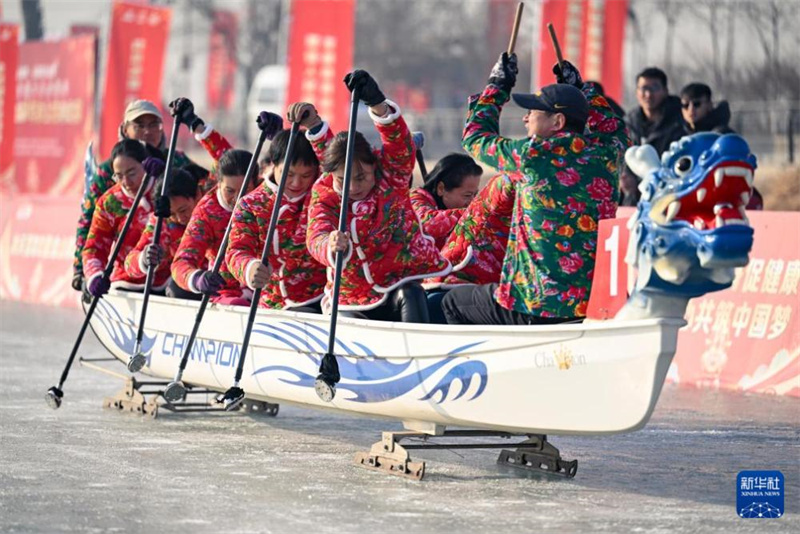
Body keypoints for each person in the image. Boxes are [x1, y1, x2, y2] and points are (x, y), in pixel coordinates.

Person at [441, 53, 629, 325]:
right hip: (589, 304)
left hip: (536, 305)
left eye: (533, 112)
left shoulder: (532, 155)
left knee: (452, 303)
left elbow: (475, 137)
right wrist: (582, 89)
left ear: (557, 122)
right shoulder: (609, 153)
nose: (525, 119)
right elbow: (616, 129)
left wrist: (496, 86)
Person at [306, 70, 452, 322]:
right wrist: (329, 245)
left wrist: (378, 104)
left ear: (373, 165)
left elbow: (400, 146)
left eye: (360, 177)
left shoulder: (390, 176)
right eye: (343, 180)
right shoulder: (325, 191)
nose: (353, 187)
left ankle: (418, 352)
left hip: (399, 278)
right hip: (350, 294)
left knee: (412, 294)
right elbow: (316, 233)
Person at [73, 99, 200, 292]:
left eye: (153, 125)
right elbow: (90, 225)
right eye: (139, 126)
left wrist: (197, 125)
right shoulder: (108, 175)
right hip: (127, 273)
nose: (147, 132)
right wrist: (84, 272)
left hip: (173, 273)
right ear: (125, 129)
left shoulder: (177, 160)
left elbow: (211, 190)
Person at [225, 109, 326, 310]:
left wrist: (315, 125)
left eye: (306, 175)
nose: (297, 183)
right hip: (273, 303)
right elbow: (236, 250)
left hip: (320, 299)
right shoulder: (251, 204)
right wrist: (249, 267)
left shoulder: (322, 193)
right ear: (273, 165)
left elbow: (336, 163)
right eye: (288, 174)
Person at [81, 140, 165, 298]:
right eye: (119, 176)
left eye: (132, 173)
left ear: (145, 165)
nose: (126, 182)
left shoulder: (165, 188)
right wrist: (94, 276)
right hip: (127, 281)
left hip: (167, 280)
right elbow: (94, 247)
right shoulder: (110, 202)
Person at [123, 169, 202, 297]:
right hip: (189, 283)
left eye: (183, 210)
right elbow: (129, 263)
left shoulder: (212, 211)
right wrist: (144, 258)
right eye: (172, 214)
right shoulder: (162, 221)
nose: (180, 219)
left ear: (197, 195)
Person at [409, 153, 482, 249]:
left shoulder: (447, 207)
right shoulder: (414, 199)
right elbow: (427, 224)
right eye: (467, 195)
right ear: (441, 189)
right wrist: (473, 213)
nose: (472, 201)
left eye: (475, 195)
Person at [625, 67, 683, 156]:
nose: (648, 94)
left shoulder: (681, 120)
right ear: (637, 92)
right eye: (644, 88)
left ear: (665, 91)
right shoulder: (629, 123)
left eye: (654, 88)